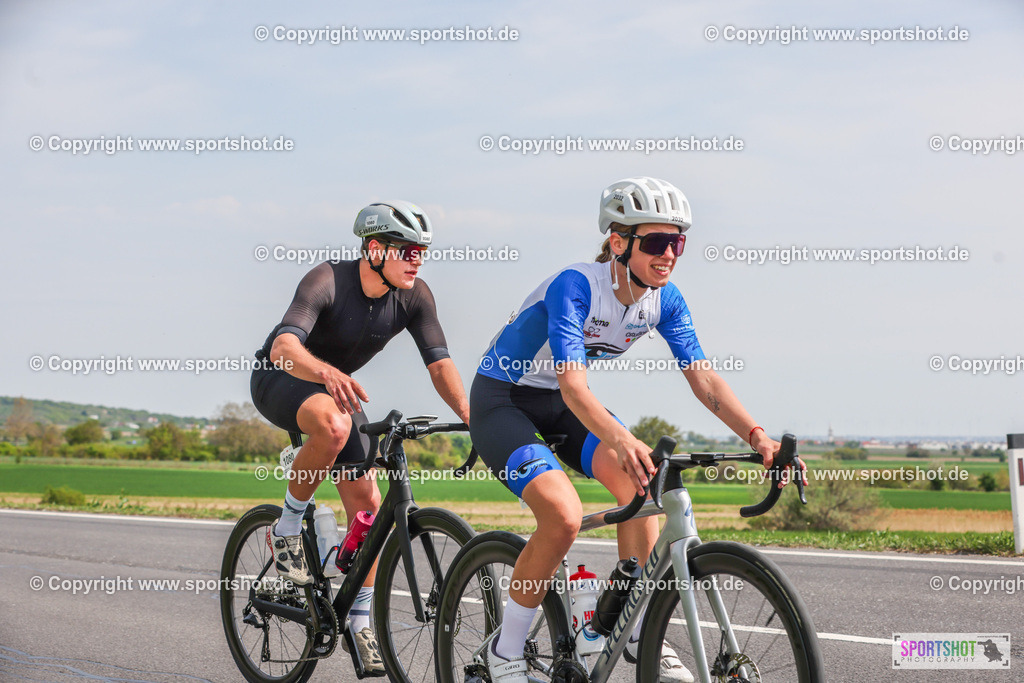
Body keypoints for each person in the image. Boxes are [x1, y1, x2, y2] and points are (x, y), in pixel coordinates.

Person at [470, 177, 802, 683]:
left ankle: (635, 627)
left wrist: (758, 437)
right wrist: (622, 438)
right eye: (656, 242)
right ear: (620, 242)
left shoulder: (664, 299)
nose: (669, 254)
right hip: (503, 398)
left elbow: (704, 377)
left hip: (560, 404)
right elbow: (575, 387)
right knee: (562, 516)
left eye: (678, 242)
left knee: (646, 481)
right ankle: (504, 652)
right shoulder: (576, 285)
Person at [251, 200, 470, 674]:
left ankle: (359, 618)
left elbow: (440, 364)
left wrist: (473, 415)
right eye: (408, 250)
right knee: (335, 424)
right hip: (281, 378)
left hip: (337, 392)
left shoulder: (415, 296)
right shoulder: (327, 279)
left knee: (368, 510)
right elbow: (283, 347)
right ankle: (287, 527)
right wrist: (327, 374)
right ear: (374, 249)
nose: (417, 259)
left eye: (422, 251)